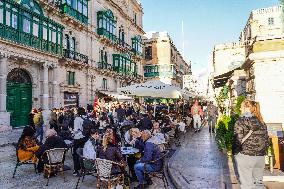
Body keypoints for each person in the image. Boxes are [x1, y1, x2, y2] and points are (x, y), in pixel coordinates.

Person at [233, 100, 269, 189]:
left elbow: (238, 140)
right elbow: (267, 139)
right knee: (258, 184)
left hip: (246, 155)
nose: (240, 109)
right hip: (260, 156)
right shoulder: (261, 121)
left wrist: (235, 153)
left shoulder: (241, 121)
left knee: (247, 185)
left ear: (245, 108)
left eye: (241, 107)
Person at [72, 107, 88, 176]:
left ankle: (76, 170)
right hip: (84, 137)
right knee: (83, 152)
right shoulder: (85, 117)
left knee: (75, 154)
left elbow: (76, 130)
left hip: (77, 138)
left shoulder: (77, 119)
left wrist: (72, 134)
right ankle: (84, 168)